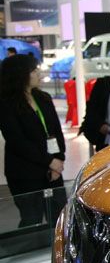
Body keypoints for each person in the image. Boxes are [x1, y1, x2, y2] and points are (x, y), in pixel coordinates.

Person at [0, 54, 66, 227]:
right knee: (31, 219)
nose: (38, 73)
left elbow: (56, 132)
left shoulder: (43, 98)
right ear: (20, 74)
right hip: (25, 172)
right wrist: (49, 161)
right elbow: (17, 141)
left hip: (53, 168)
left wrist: (58, 160)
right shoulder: (6, 104)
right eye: (34, 70)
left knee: (60, 218)